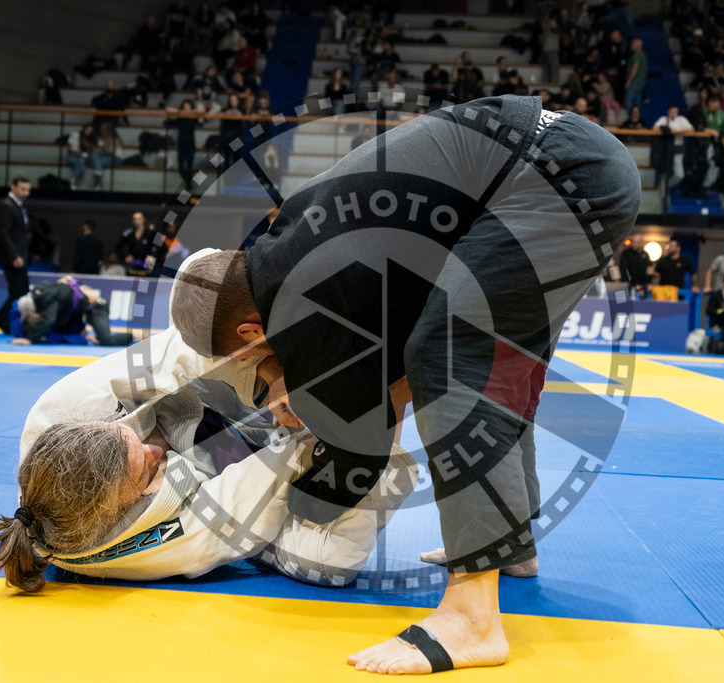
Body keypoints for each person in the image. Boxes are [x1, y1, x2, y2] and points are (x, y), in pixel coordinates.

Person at [169, 98, 641, 674]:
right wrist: (312, 389)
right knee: (492, 364)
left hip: (557, 176)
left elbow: (362, 455)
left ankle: (472, 618)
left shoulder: (302, 306)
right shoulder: (292, 236)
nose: (259, 364)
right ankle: (508, 542)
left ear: (249, 330)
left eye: (248, 357)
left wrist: (294, 503)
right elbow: (392, 368)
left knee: (452, 355)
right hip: (560, 161)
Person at [0, 322, 416, 593]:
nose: (155, 452)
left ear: (94, 425)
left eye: (137, 441)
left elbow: (184, 345)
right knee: (329, 561)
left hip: (201, 401)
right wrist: (323, 434)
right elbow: (246, 494)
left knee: (226, 330)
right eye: (146, 467)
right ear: (120, 507)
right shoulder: (141, 544)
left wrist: (271, 375)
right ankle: (409, 372)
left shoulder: (62, 408)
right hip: (212, 470)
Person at [9, 277, 136, 347]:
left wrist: (29, 339)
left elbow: (48, 320)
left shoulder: (48, 300)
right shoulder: (39, 290)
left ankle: (134, 335)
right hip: (77, 313)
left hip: (95, 307)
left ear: (33, 309)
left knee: (106, 340)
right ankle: (80, 332)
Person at [0, 176, 31, 334]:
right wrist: (14, 255)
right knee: (19, 292)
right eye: (23, 189)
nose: (26, 193)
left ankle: (4, 320)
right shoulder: (6, 206)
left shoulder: (18, 206)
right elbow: (4, 234)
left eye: (28, 190)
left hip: (19, 256)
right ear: (13, 187)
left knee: (20, 291)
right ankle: (1, 319)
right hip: (12, 257)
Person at [164, 99, 205, 190]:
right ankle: (187, 182)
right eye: (185, 106)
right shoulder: (180, 116)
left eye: (188, 106)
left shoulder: (193, 117)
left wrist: (191, 111)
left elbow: (202, 111)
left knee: (189, 166)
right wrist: (181, 111)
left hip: (190, 144)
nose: (187, 107)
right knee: (181, 167)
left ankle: (189, 184)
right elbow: (167, 109)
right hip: (181, 145)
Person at [652, 105, 694, 187]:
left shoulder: (681, 119)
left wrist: (678, 132)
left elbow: (692, 130)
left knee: (679, 174)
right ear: (668, 112)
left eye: (675, 111)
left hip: (678, 148)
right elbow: (654, 129)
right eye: (672, 111)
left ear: (677, 112)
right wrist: (670, 131)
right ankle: (662, 187)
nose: (673, 113)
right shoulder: (664, 119)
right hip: (666, 149)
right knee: (664, 171)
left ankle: (666, 185)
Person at [623, 38, 647, 112]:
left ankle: (632, 116)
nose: (631, 45)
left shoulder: (637, 54)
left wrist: (629, 81)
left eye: (633, 44)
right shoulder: (643, 55)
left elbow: (635, 67)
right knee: (637, 101)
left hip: (636, 80)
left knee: (628, 100)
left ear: (638, 45)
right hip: (641, 81)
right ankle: (637, 116)